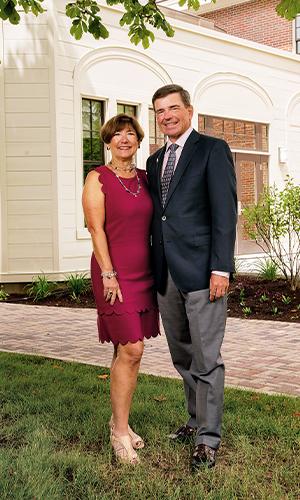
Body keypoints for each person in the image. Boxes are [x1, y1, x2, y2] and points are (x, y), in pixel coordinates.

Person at [146, 85, 237, 469]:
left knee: (206, 358)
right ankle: (195, 419)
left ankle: (208, 438)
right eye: (159, 111)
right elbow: (160, 217)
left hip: (203, 274)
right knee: (182, 354)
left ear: (189, 110)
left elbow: (224, 212)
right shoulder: (153, 161)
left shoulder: (212, 150)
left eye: (172, 108)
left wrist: (221, 268)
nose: (166, 116)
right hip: (166, 273)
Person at [82, 114, 160, 465]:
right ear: (108, 142)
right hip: (113, 272)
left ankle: (121, 423)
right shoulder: (97, 178)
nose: (124, 139)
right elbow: (95, 229)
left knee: (125, 352)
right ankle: (118, 434)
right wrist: (109, 272)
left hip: (144, 273)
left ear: (139, 141)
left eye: (130, 133)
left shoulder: (146, 179)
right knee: (132, 349)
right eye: (117, 134)